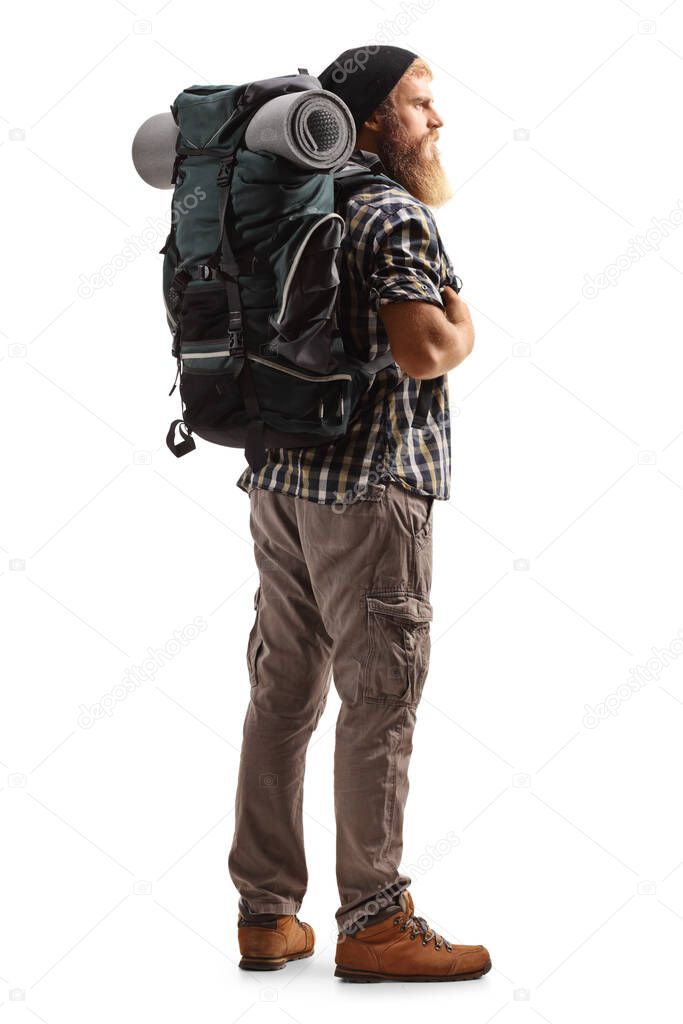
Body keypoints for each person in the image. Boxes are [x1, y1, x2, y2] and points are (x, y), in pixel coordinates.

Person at [228, 44, 491, 983]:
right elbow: (425, 350)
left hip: (279, 484)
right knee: (379, 699)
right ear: (375, 117)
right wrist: (464, 320)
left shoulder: (292, 201)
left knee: (282, 692)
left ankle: (266, 914)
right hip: (372, 490)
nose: (437, 120)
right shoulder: (387, 209)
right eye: (421, 104)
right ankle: (374, 920)